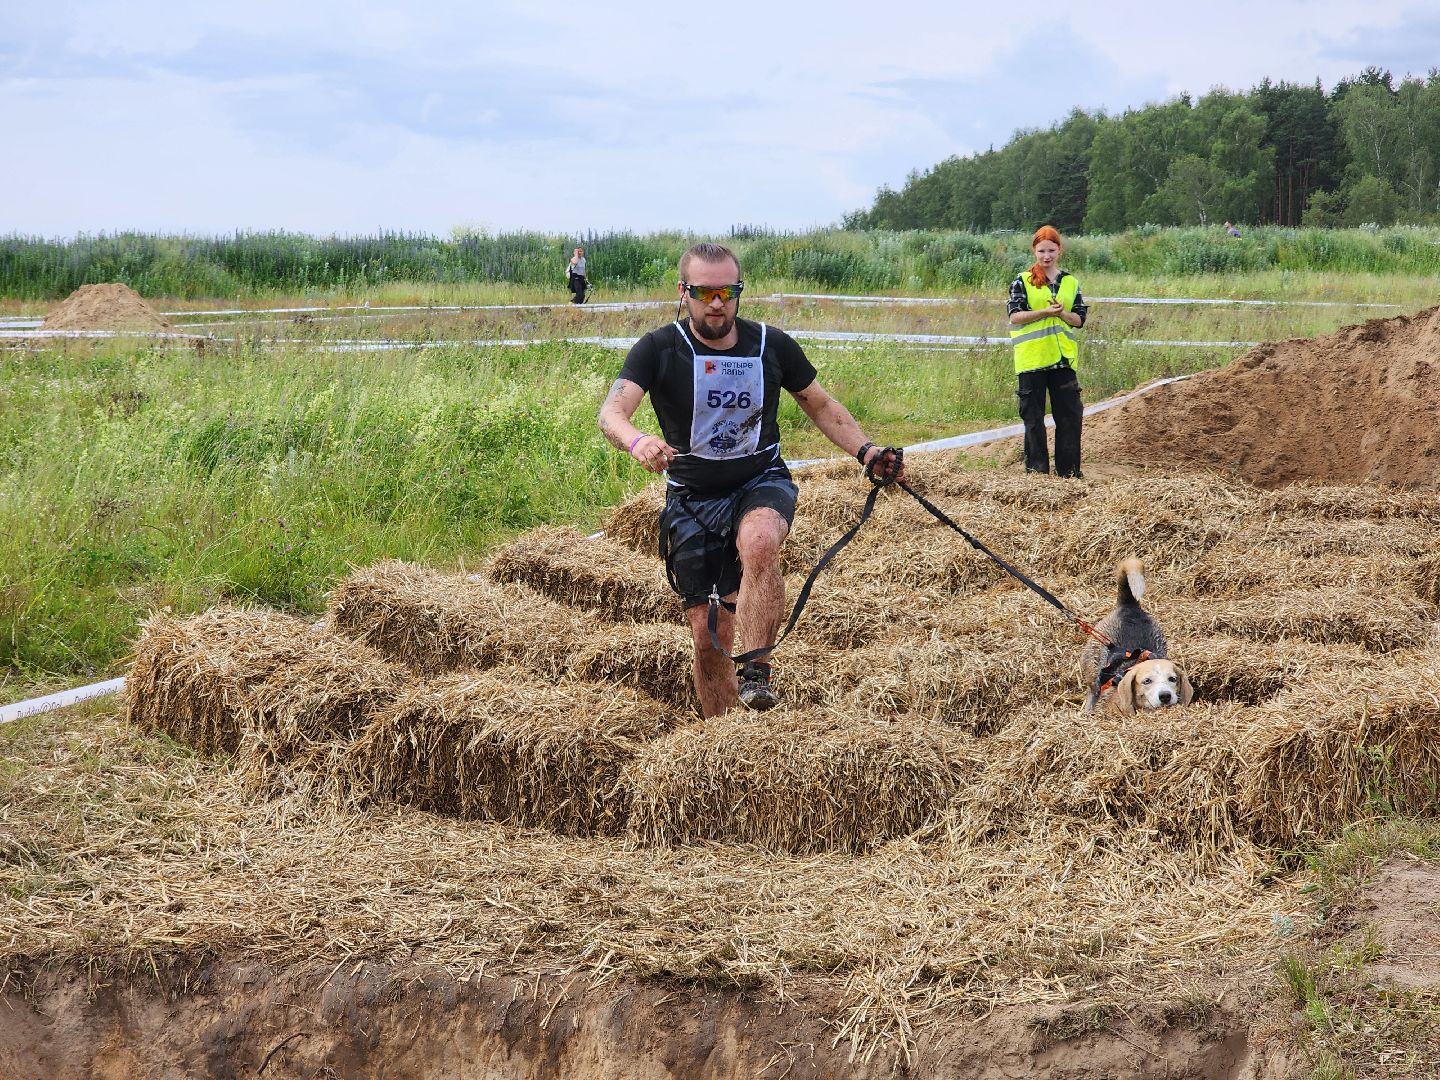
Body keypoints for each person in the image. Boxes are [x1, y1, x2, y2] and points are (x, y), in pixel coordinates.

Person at [597, 242, 901, 718]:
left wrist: (866, 451)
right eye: (704, 291)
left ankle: (757, 672)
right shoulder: (659, 348)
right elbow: (612, 412)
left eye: (727, 291)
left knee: (759, 542)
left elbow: (819, 405)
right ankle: (722, 737)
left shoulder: (770, 345)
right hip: (693, 496)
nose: (716, 302)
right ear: (684, 292)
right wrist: (638, 442)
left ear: (739, 292)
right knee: (707, 634)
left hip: (759, 478)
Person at [1007, 224, 1088, 478]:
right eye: (1041, 251)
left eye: (1051, 250)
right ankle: (1037, 474)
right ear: (1034, 251)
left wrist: (1062, 313)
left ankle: (1069, 473)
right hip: (1032, 361)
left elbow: (1079, 319)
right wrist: (1044, 312)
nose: (1046, 256)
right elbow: (1015, 316)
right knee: (1033, 421)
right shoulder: (1022, 281)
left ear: (1059, 250)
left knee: (1070, 418)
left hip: (1062, 361)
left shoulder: (1070, 282)